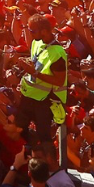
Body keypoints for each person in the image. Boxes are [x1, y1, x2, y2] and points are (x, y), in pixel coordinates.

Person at [16, 15, 70, 149]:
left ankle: (47, 161)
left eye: (32, 31)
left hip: (47, 100)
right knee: (18, 127)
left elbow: (59, 80)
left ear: (44, 31)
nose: (30, 33)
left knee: (43, 134)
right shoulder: (37, 42)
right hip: (30, 95)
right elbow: (37, 64)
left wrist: (33, 72)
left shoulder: (57, 53)